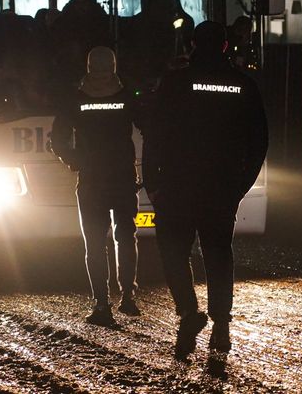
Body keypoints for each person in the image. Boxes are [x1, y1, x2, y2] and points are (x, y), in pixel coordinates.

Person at [143, 21, 268, 360]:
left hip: (177, 185)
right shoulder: (243, 85)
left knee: (172, 253)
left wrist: (153, 183)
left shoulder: (175, 82)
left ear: (192, 43)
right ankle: (221, 325)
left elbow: (155, 134)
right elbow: (259, 142)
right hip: (221, 187)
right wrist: (240, 186)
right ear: (226, 46)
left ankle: (188, 313)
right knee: (218, 254)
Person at [49, 46, 141, 327]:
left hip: (92, 180)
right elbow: (150, 124)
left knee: (94, 243)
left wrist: (75, 161)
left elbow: (58, 139)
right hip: (123, 177)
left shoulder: (75, 99)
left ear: (88, 67)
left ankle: (102, 303)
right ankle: (127, 297)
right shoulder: (127, 97)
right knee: (126, 236)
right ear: (114, 66)